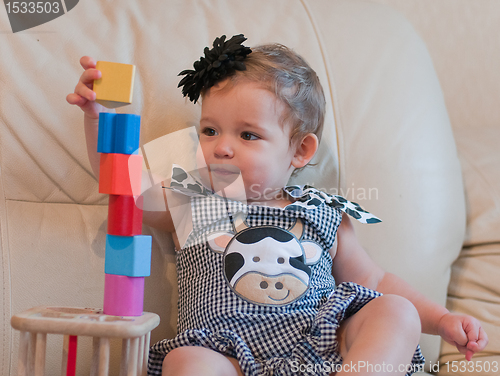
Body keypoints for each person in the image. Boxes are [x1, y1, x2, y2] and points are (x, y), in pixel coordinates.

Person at [67, 34, 488, 376]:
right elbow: (122, 187)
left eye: (248, 135)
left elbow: (375, 280)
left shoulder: (324, 211)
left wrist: (442, 320)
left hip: (324, 347)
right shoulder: (191, 198)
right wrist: (97, 117)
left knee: (394, 311)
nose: (222, 148)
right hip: (227, 352)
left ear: (300, 151)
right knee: (186, 362)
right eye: (210, 131)